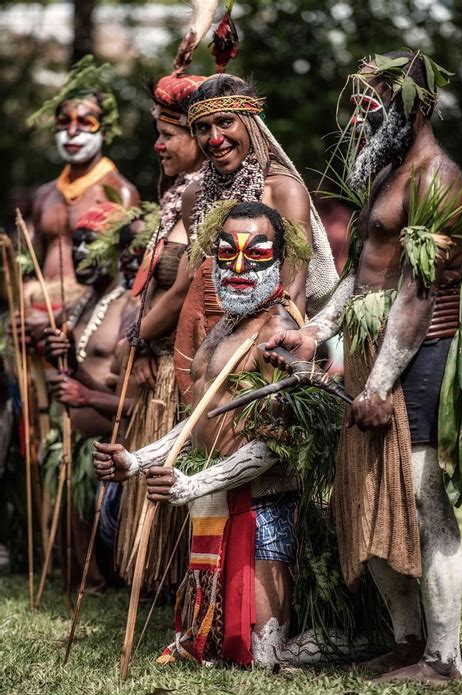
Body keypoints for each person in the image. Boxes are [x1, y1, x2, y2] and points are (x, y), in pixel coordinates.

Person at [264, 50, 462, 685]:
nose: (365, 112)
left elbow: (417, 293)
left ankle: (444, 658)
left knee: (420, 495)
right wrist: (318, 330)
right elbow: (366, 271)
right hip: (370, 356)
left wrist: (380, 383)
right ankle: (407, 643)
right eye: (362, 99)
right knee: (369, 494)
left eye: (379, 98)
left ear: (420, 105)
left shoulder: (436, 177)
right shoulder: (387, 173)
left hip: (420, 354)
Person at [93, 201, 322, 665]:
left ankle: (342, 640)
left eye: (255, 255)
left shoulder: (280, 330)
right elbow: (200, 419)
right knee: (207, 644)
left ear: (280, 259)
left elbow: (278, 444)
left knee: (262, 656)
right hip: (216, 500)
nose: (237, 268)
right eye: (225, 253)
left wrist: (193, 483)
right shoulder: (224, 328)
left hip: (263, 507)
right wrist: (135, 461)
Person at [173, 73, 338, 400]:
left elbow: (293, 289)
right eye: (203, 129)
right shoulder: (194, 195)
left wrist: (275, 350)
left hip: (261, 342)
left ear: (250, 123)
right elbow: (197, 277)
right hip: (202, 337)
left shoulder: (282, 189)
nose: (215, 138)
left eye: (225, 123)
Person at [114, 72, 207, 594]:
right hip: (156, 354)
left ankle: (178, 581)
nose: (158, 143)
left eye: (169, 133)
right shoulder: (179, 193)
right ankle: (159, 580)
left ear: (198, 136)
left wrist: (139, 337)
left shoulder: (201, 197)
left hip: (178, 359)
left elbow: (186, 286)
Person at [40, 202, 137, 587]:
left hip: (110, 444)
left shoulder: (128, 307)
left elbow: (132, 400)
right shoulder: (81, 305)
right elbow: (78, 368)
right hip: (76, 441)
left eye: (90, 243)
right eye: (75, 243)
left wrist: (84, 393)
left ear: (115, 250)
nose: (79, 253)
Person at [26, 55, 139, 320]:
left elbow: (127, 272)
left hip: (89, 317)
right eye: (64, 122)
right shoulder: (45, 195)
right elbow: (30, 264)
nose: (72, 132)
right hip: (38, 313)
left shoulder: (119, 193)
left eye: (85, 122)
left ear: (105, 130)